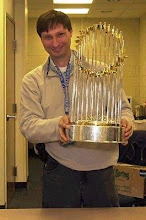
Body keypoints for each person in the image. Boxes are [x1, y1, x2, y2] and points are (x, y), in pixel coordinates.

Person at [20, 10, 134, 208]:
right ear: (41, 39)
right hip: (59, 169)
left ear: (71, 32)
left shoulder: (101, 71)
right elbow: (28, 126)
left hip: (102, 169)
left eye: (60, 34)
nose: (55, 43)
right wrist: (57, 125)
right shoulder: (32, 80)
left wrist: (126, 123)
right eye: (48, 37)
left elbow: (124, 110)